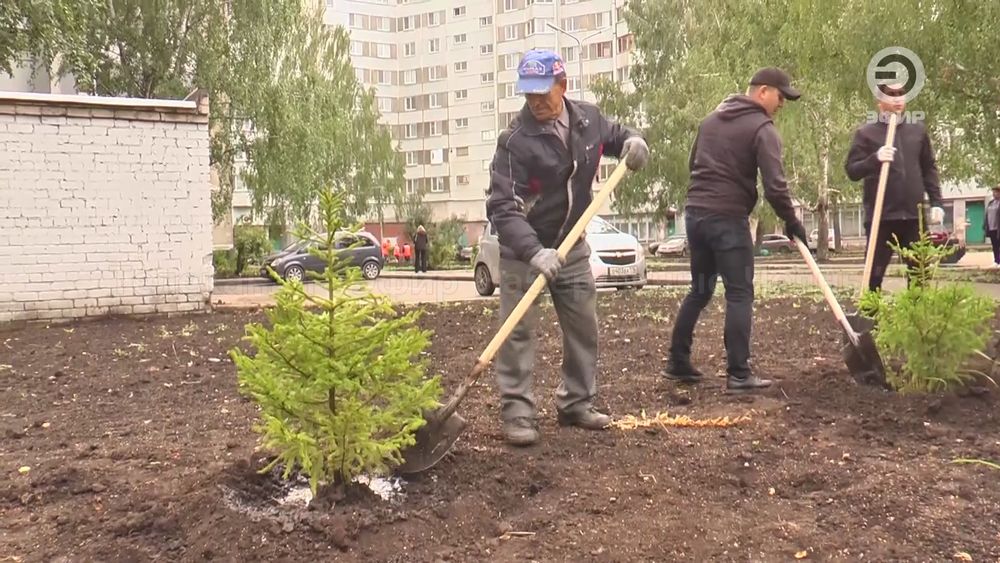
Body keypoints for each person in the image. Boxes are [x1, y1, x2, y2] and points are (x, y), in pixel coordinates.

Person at [485, 49, 649, 446]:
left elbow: (615, 136)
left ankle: (576, 401)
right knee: (518, 333)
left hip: (572, 246)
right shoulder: (515, 142)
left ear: (563, 85)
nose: (536, 102)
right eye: (528, 95)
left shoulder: (588, 119)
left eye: (543, 92)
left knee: (582, 326)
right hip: (524, 252)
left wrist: (633, 141)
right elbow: (502, 207)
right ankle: (518, 412)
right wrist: (532, 250)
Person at [665, 67, 808, 394]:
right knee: (740, 292)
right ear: (762, 92)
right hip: (728, 220)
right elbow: (775, 186)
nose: (782, 103)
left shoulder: (710, 121)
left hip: (696, 217)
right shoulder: (762, 128)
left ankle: (677, 361)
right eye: (781, 96)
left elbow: (693, 165)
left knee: (700, 289)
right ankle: (739, 374)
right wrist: (792, 221)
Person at [845, 83, 944, 291]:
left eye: (901, 94)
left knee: (920, 275)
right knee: (873, 276)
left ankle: (917, 320)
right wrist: (875, 158)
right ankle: (871, 320)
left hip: (914, 218)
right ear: (880, 102)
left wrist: (936, 202)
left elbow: (928, 168)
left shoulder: (917, 131)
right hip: (882, 218)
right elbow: (852, 170)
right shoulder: (866, 133)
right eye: (891, 95)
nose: (898, 99)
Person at [983, 185, 1000, 267]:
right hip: (991, 227)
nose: (994, 194)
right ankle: (996, 261)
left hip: (998, 228)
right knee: (995, 245)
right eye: (993, 192)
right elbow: (987, 215)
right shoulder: (991, 203)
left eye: (996, 192)